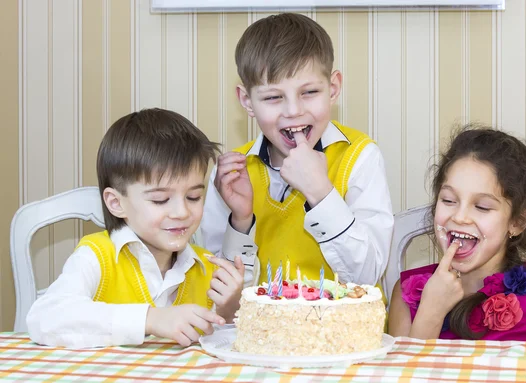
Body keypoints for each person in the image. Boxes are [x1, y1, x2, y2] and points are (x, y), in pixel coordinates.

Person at [198, 13, 394, 288]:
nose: (293, 111)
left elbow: (366, 276)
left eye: (309, 92)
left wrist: (320, 193)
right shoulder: (232, 174)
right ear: (247, 101)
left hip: (341, 328)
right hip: (262, 330)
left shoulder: (361, 157)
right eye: (273, 97)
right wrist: (240, 222)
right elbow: (222, 292)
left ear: (333, 88)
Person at [27, 108, 244, 348]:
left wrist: (229, 309)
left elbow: (222, 347)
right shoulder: (97, 256)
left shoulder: (207, 268)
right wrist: (149, 319)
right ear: (116, 203)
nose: (182, 212)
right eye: (160, 200)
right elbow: (44, 319)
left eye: (193, 197)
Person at [388, 126, 526, 347]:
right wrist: (430, 313)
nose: (460, 216)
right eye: (448, 200)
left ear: (517, 222)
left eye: (483, 207)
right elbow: (404, 375)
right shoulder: (407, 290)